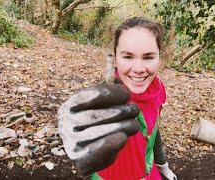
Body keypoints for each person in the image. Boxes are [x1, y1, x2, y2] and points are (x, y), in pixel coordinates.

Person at [58, 17, 177, 180]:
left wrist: (162, 165)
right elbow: (85, 135)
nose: (139, 69)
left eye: (148, 57)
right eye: (128, 57)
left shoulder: (157, 90)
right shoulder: (106, 101)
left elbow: (153, 131)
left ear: (159, 58)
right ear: (115, 59)